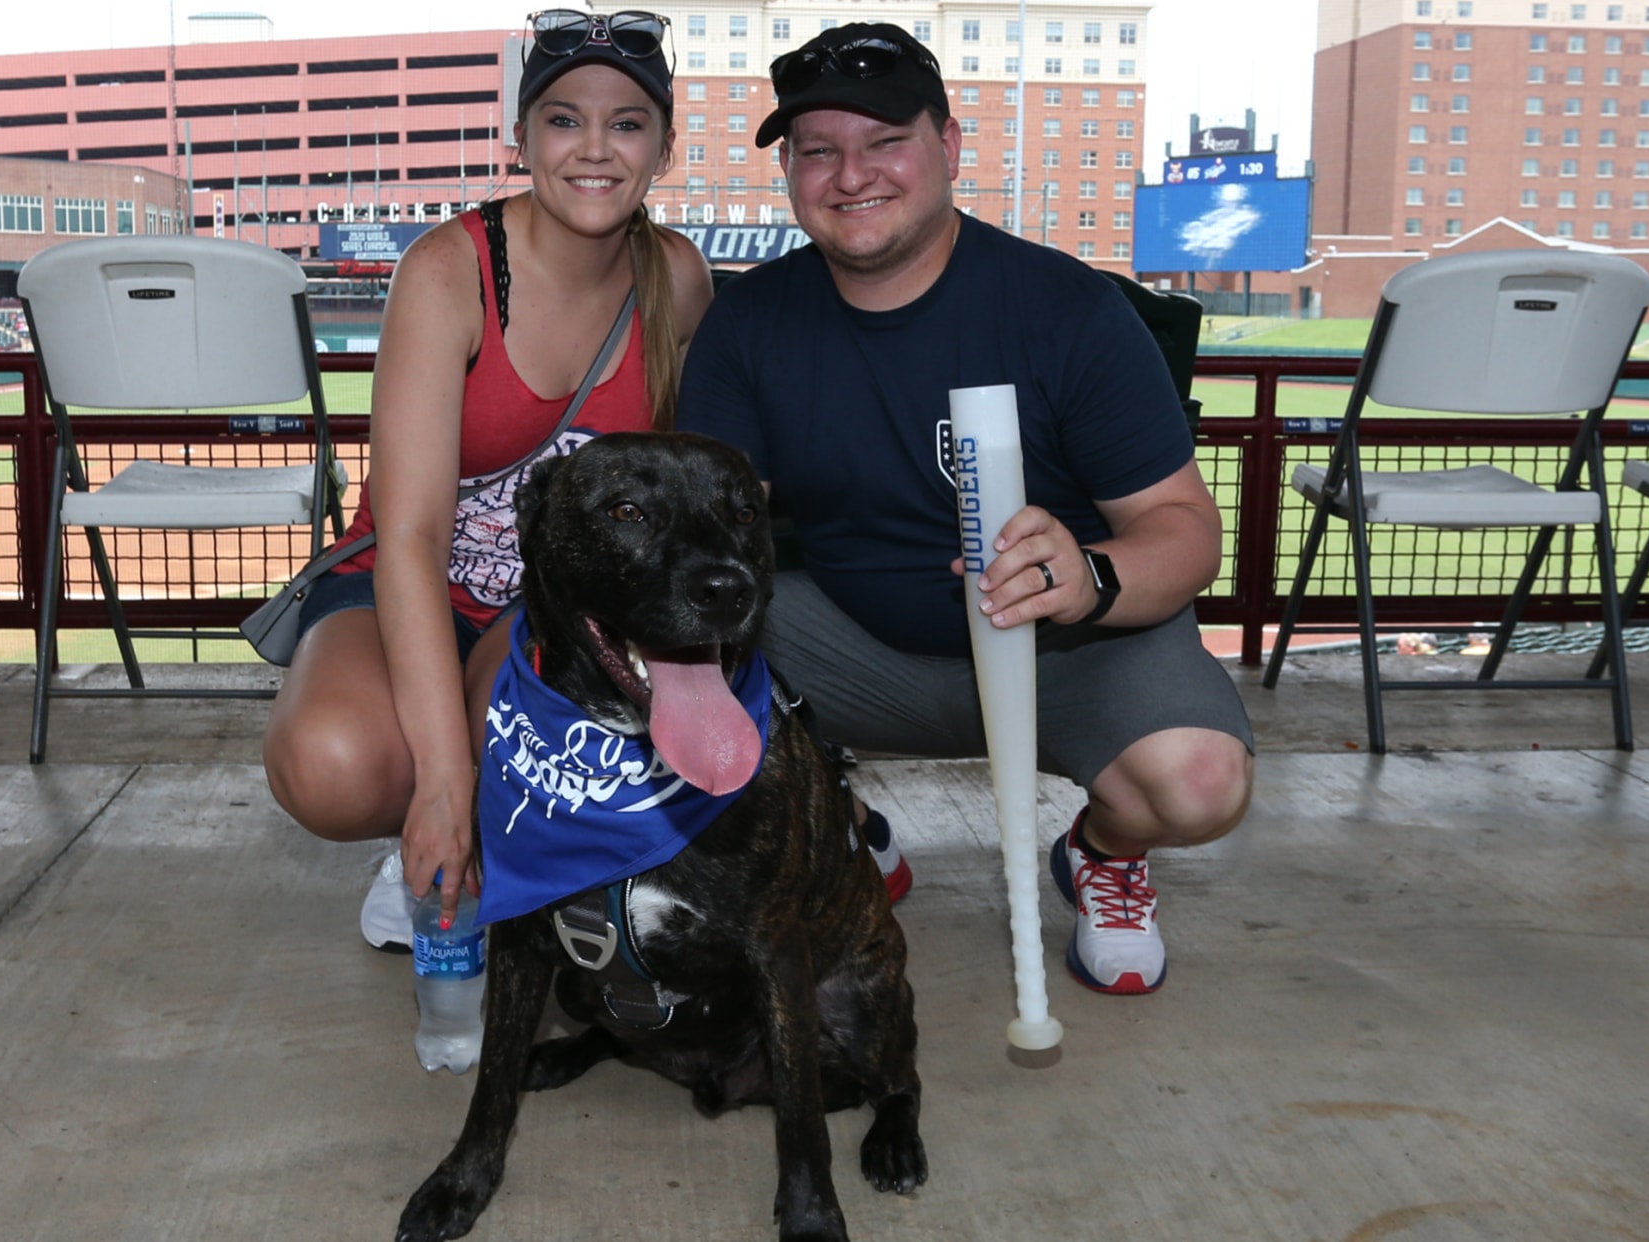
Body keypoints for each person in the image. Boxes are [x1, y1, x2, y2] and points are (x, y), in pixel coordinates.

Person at [677, 23, 1254, 996]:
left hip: (1069, 647)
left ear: (949, 145)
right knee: (664, 653)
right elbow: (709, 528)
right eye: (818, 149)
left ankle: (1105, 852)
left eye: (885, 140)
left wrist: (1092, 572)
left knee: (1200, 785)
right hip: (860, 651)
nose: (851, 173)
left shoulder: (1067, 308)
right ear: (790, 170)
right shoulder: (751, 321)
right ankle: (843, 830)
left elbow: (1187, 530)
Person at [263, 9, 712, 949]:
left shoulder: (677, 278)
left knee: (522, 738)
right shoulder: (447, 270)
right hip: (417, 576)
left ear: (664, 148)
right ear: (520, 138)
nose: (595, 148)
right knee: (332, 763)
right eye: (563, 119)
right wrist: (439, 787)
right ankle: (429, 842)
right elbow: (414, 536)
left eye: (627, 123)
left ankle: (510, 857)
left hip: (555, 601)